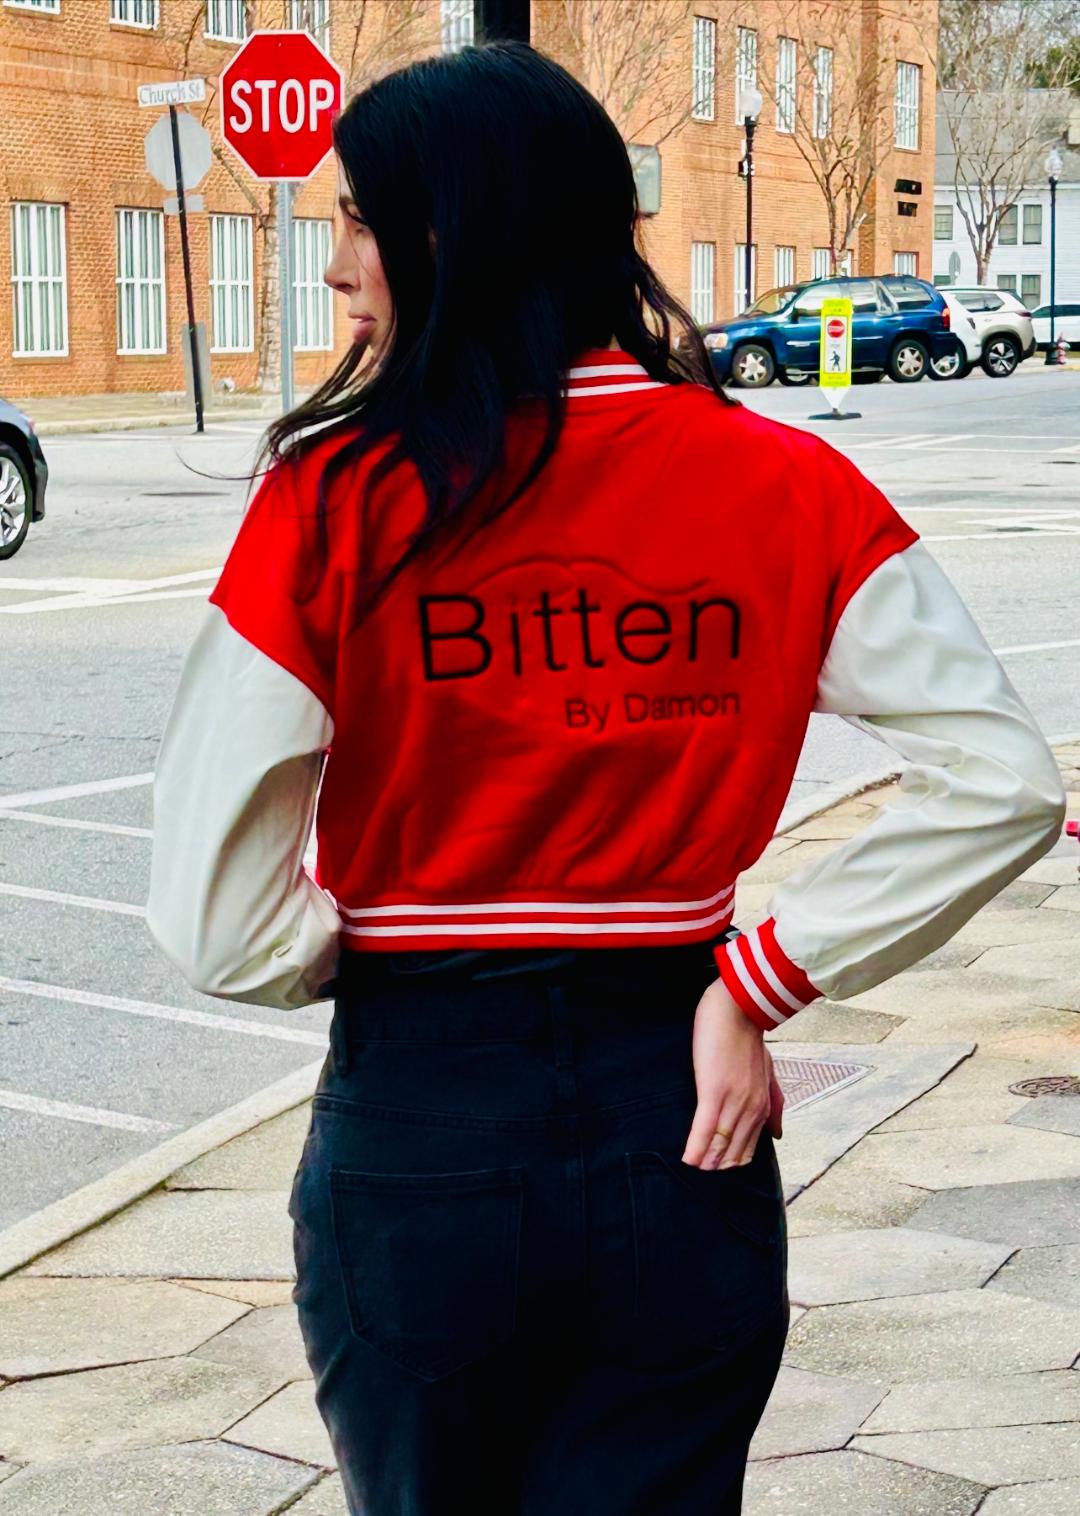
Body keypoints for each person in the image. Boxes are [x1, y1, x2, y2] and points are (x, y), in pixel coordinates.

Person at [146, 41, 1065, 1516]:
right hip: (676, 1102)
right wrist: (756, 977)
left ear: (452, 232)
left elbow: (216, 920)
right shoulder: (783, 484)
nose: (337, 270)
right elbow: (1005, 781)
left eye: (360, 222)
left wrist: (366, 966)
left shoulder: (333, 498)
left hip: (423, 1113)